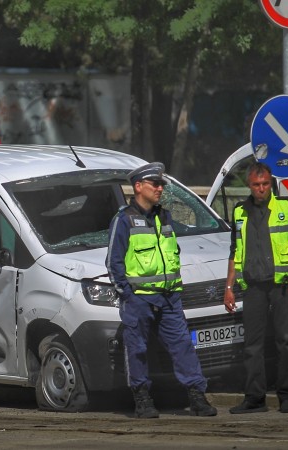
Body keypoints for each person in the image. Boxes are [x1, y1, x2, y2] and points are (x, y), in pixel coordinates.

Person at [106, 162, 217, 419]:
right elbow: (114, 263)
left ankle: (197, 397)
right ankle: (142, 399)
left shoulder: (164, 216)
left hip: (169, 298)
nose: (159, 189)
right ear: (138, 187)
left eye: (161, 185)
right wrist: (127, 294)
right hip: (139, 300)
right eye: (155, 184)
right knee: (137, 349)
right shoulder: (124, 220)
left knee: (183, 347)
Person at [224, 162, 288, 415]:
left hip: (282, 286)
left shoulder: (285, 207)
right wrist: (228, 287)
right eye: (256, 185)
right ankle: (254, 399)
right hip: (253, 287)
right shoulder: (240, 211)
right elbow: (234, 251)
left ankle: (286, 396)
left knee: (285, 340)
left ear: (270, 183)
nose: (261, 189)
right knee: (252, 345)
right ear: (248, 185)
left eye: (265, 184)